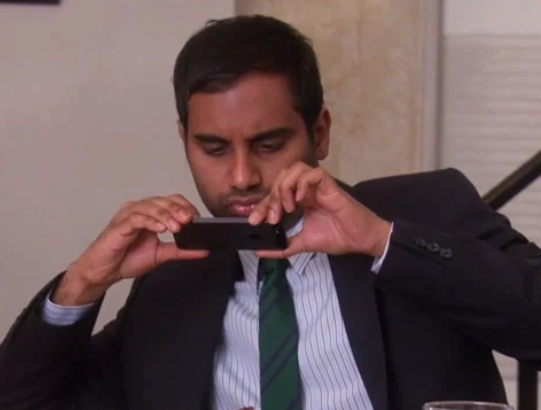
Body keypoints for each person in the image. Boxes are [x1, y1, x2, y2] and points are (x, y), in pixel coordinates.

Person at [0, 14, 540, 410]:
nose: (241, 177)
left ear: (319, 132)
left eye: (268, 144)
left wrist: (382, 241)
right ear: (184, 141)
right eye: (214, 149)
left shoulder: (423, 209)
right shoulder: (172, 285)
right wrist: (82, 284)